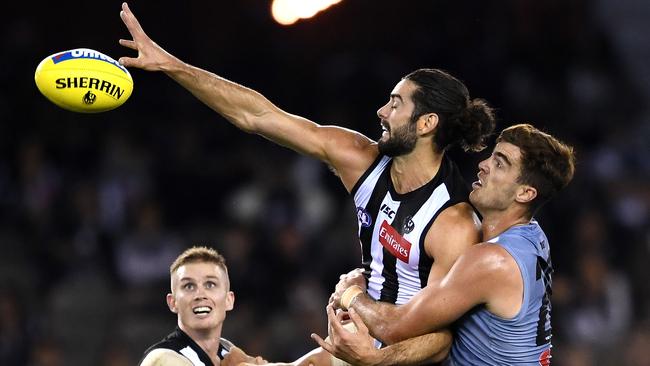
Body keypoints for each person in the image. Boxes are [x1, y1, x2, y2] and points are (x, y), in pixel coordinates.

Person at [118, 2, 495, 364]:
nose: (381, 112)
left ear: (427, 123)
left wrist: (362, 324)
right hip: (358, 342)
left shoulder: (453, 222)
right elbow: (258, 115)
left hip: (397, 357)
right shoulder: (360, 159)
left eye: (396, 104)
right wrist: (171, 66)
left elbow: (440, 340)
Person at [316, 124, 576, 365]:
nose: (483, 164)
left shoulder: (492, 260)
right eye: (491, 156)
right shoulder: (533, 236)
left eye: (500, 164)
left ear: (525, 193)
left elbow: (395, 328)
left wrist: (350, 294)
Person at [140, 246, 263, 366]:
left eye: (210, 284)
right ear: (173, 302)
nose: (200, 294)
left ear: (228, 300)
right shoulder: (162, 359)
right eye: (189, 286)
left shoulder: (229, 352)